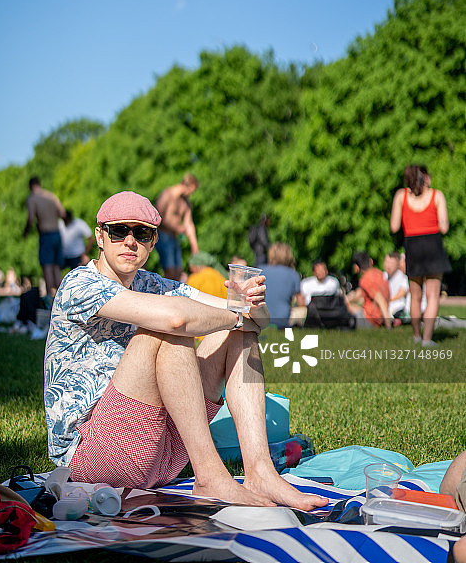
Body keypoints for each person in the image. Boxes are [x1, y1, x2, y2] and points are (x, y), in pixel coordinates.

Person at [44, 190, 327, 510]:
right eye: (119, 230)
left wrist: (251, 303)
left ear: (153, 242)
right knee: (168, 328)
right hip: (92, 457)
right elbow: (177, 318)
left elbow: (253, 324)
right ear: (100, 236)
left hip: (163, 451)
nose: (130, 241)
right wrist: (238, 315)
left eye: (142, 233)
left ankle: (260, 471)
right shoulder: (79, 283)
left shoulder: (153, 283)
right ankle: (209, 474)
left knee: (233, 332)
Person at [390, 164, 450, 346]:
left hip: (412, 246)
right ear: (425, 178)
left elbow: (394, 227)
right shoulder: (436, 195)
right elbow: (444, 227)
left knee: (415, 295)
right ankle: (427, 339)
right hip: (432, 245)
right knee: (432, 295)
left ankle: (416, 335)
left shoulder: (401, 196)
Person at [23, 177, 66, 298]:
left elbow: (31, 218)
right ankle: (62, 297)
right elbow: (62, 213)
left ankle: (49, 299)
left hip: (46, 234)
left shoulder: (32, 199)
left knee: (47, 267)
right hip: (57, 233)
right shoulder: (51, 196)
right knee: (57, 268)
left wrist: (26, 232)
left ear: (30, 186)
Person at [155, 174, 199, 280]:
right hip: (163, 235)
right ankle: (166, 294)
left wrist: (195, 247)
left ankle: (174, 294)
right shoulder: (168, 195)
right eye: (192, 191)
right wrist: (178, 228)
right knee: (169, 270)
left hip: (174, 238)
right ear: (187, 186)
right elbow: (157, 218)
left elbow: (189, 224)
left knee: (178, 271)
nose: (191, 194)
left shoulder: (186, 202)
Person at [347, 252, 392, 329]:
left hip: (371, 321)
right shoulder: (379, 273)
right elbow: (360, 293)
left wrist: (389, 327)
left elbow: (381, 301)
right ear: (371, 261)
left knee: (344, 308)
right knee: (348, 304)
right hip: (379, 317)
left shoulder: (365, 280)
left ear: (356, 268)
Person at [261, 243, 301, 329]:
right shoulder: (293, 274)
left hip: (260, 319)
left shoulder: (259, 270)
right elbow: (301, 302)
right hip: (282, 321)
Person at [383, 251, 410, 319]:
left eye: (391, 263)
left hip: (398, 307)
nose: (388, 265)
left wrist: (384, 300)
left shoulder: (403, 278)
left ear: (397, 264)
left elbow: (400, 294)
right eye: (387, 262)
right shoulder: (383, 276)